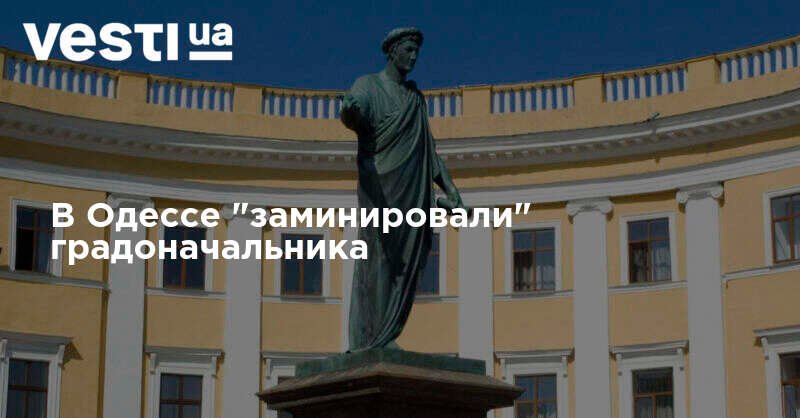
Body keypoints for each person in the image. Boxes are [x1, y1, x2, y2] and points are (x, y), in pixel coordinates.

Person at [341, 27, 466, 351]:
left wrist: (450, 189)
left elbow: (429, 151)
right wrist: (351, 112)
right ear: (392, 50)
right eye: (408, 50)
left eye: (416, 51)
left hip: (412, 190)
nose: (413, 56)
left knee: (405, 266)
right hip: (380, 189)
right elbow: (356, 112)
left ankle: (386, 335)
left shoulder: (415, 99)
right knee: (379, 259)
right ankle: (374, 338)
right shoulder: (368, 85)